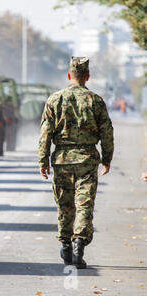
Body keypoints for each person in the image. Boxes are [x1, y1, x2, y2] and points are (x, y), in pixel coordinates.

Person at [38, 57, 114, 269]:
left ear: (69, 76)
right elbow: (107, 132)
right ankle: (79, 244)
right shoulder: (96, 101)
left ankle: (65, 244)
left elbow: (45, 133)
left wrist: (42, 161)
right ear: (87, 77)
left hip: (62, 160)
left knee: (64, 204)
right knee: (84, 204)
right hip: (88, 161)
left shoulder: (55, 99)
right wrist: (107, 159)